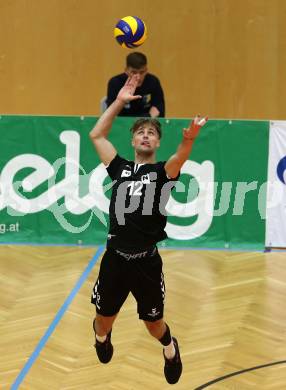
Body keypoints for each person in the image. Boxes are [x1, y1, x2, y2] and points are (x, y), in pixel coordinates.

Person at [90, 74, 207, 384]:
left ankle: (170, 349)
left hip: (146, 262)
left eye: (151, 133)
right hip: (115, 259)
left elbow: (181, 156)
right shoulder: (120, 168)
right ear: (132, 140)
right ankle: (103, 339)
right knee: (102, 323)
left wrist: (190, 137)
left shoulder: (163, 172)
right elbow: (97, 136)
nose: (145, 136)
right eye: (140, 132)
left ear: (157, 143)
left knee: (154, 325)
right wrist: (118, 101)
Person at [106, 52, 165, 117]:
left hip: (146, 123)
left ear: (146, 70)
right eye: (134, 72)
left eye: (142, 72)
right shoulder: (115, 83)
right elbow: (110, 111)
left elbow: (159, 108)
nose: (138, 77)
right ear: (126, 70)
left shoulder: (153, 81)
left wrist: (148, 118)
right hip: (123, 122)